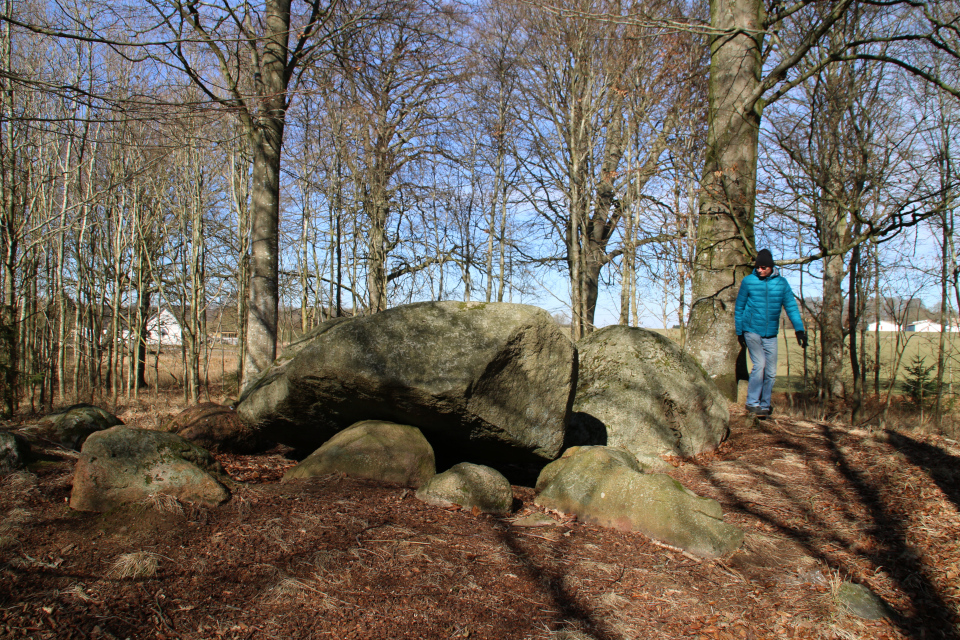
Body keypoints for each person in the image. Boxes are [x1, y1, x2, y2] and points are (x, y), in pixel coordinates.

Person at [734, 249, 808, 416]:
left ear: (770, 267)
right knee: (759, 364)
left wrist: (799, 330)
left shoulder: (782, 284)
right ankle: (752, 402)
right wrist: (740, 331)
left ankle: (765, 405)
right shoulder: (749, 281)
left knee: (771, 371)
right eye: (758, 267)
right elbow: (739, 307)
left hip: (771, 333)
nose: (759, 270)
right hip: (751, 329)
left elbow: (791, 307)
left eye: (763, 267)